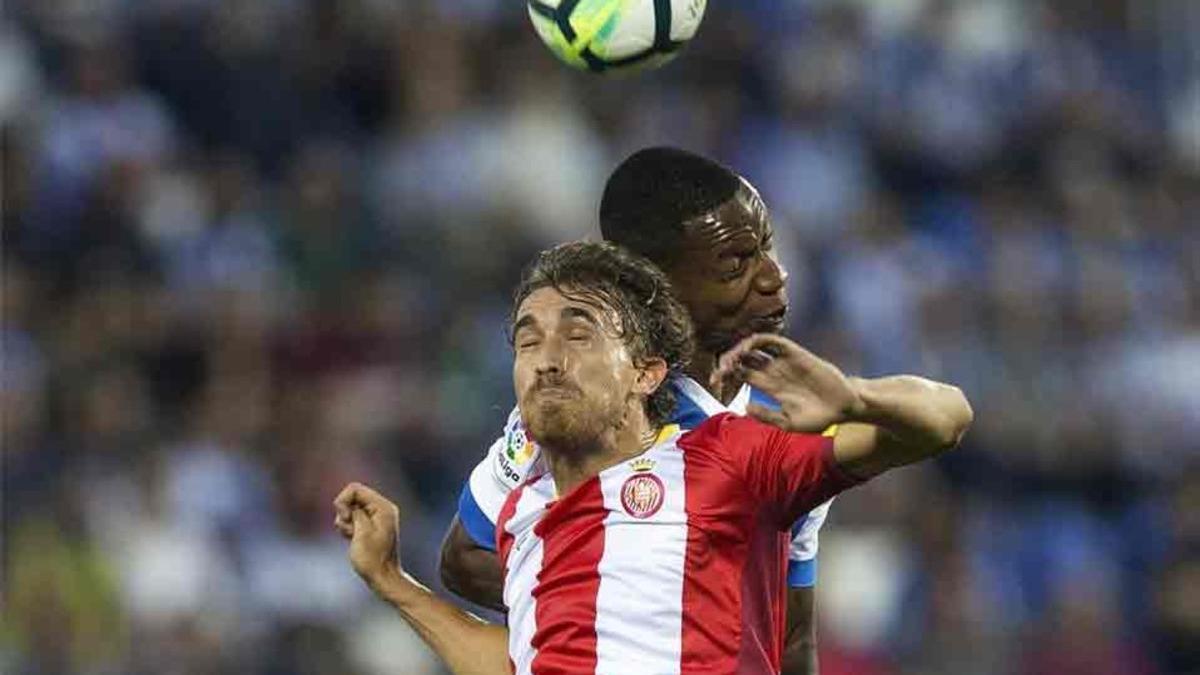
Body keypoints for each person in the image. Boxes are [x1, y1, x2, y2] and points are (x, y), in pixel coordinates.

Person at [336, 241, 973, 674]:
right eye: (527, 342)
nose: (547, 359)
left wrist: (854, 397)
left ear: (646, 372)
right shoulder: (521, 514)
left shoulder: (724, 457)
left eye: (578, 334)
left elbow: (946, 417)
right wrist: (392, 581)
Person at [440, 147, 824, 673]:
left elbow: (794, 634)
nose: (773, 277)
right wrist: (622, 619)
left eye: (765, 249)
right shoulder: (601, 412)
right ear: (659, 282)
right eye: (736, 263)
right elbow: (465, 556)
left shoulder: (791, 420)